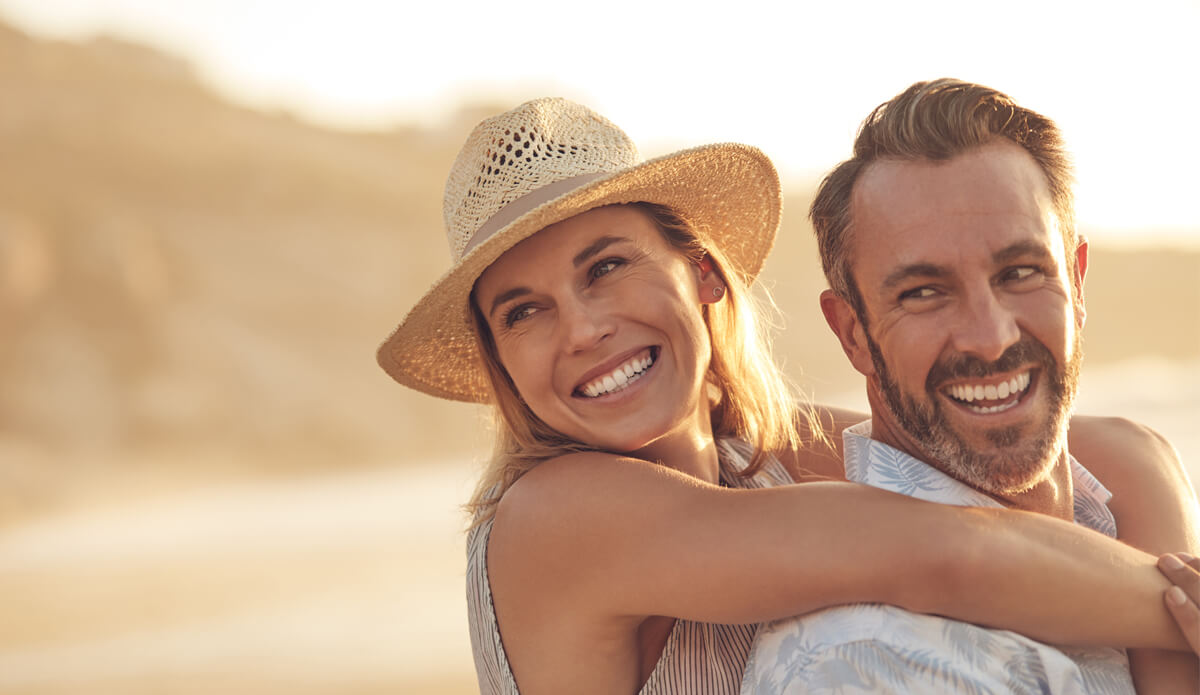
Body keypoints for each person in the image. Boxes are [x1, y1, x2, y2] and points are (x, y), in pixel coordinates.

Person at [376, 97, 1200, 695]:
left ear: (700, 271)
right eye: (525, 312)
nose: (584, 329)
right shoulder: (553, 517)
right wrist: (1180, 607)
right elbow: (950, 550)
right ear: (501, 362)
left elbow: (1125, 451)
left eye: (607, 266)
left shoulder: (761, 459)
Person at [740, 79, 1200, 694]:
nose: (989, 337)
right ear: (851, 334)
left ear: (1078, 284)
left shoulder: (1119, 504)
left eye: (1020, 272)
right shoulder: (867, 663)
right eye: (924, 292)